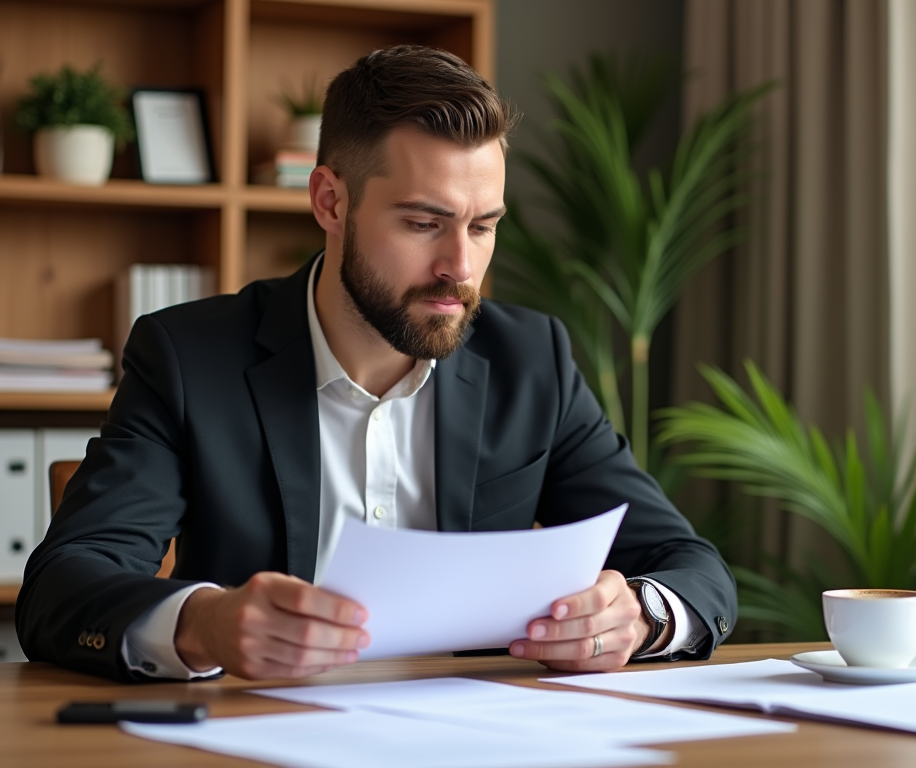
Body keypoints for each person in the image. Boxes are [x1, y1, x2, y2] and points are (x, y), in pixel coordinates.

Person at [16, 46, 736, 683]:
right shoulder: (188, 358)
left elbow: (691, 566)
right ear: (331, 200)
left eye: (483, 226)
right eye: (423, 224)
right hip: (258, 741)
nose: (460, 266)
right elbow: (61, 588)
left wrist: (638, 615)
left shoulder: (531, 360)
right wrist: (204, 622)